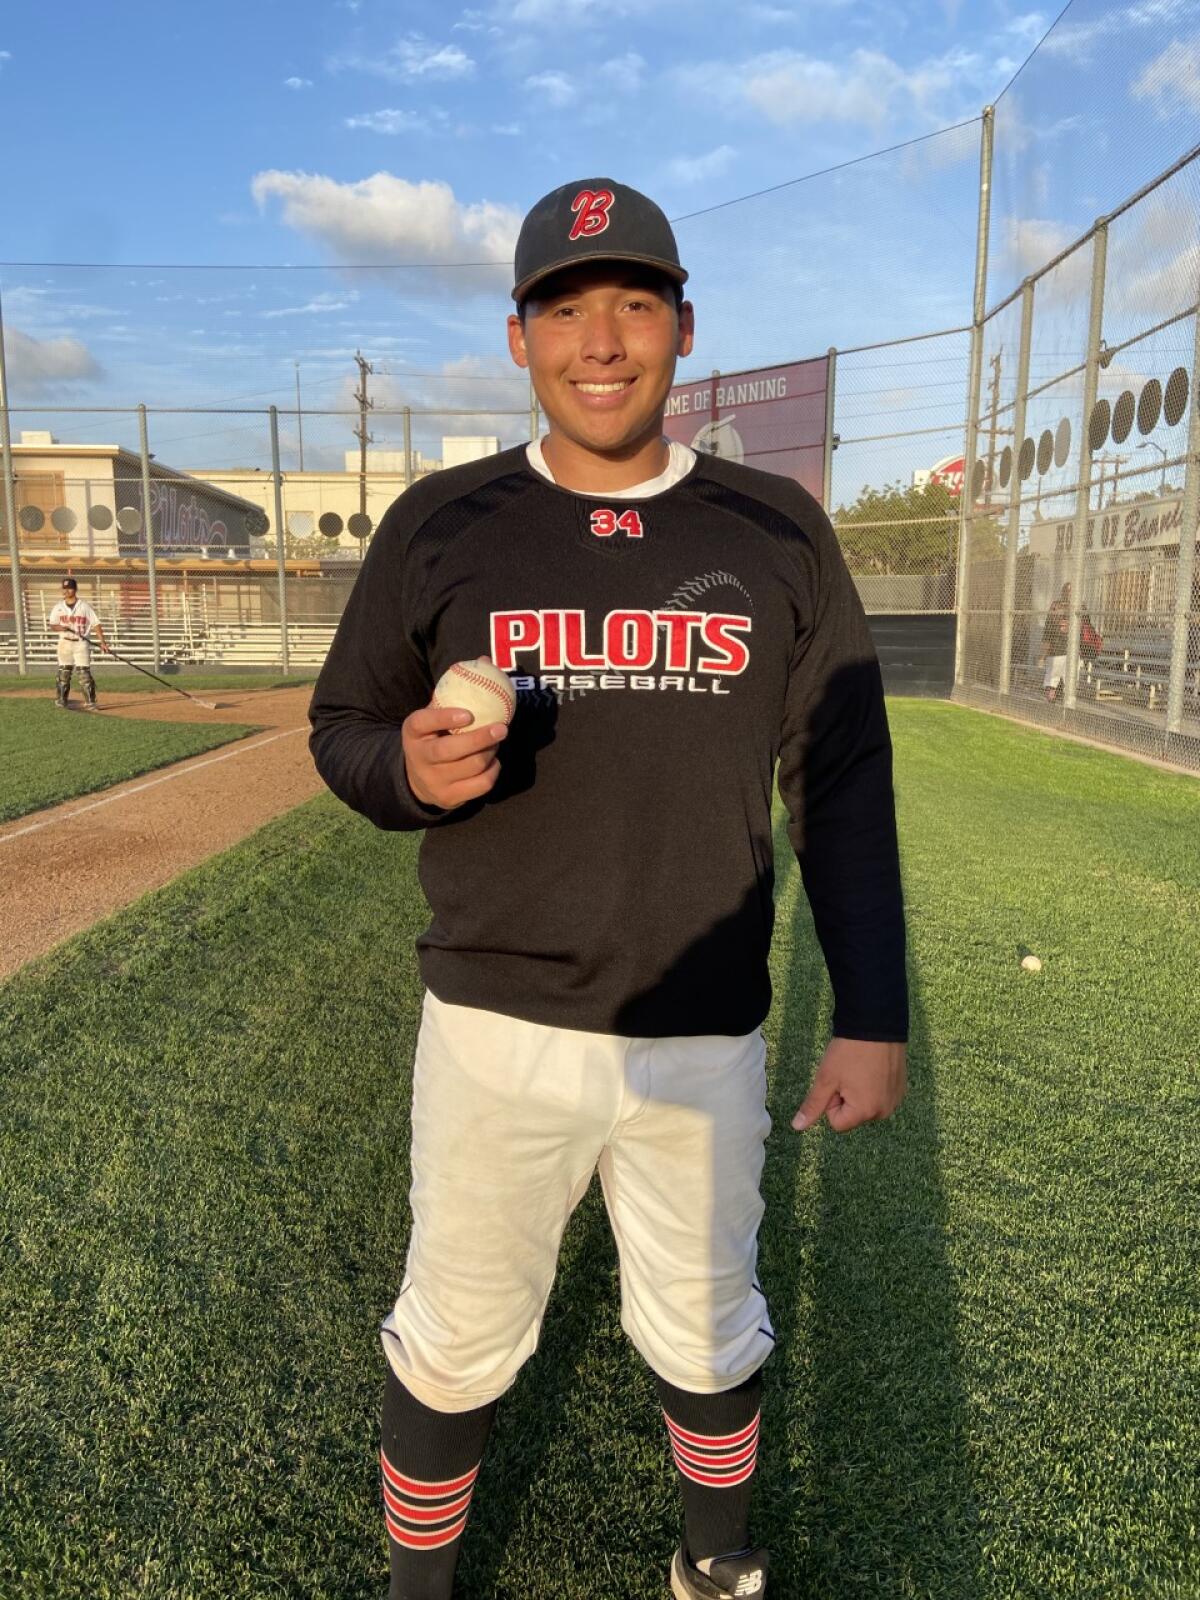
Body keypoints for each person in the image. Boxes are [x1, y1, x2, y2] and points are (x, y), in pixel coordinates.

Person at [308, 177, 909, 1600]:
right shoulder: (445, 522)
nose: (602, 339)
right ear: (518, 336)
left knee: (708, 1329)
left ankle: (717, 1562)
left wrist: (873, 1011)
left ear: (683, 328)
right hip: (494, 1025)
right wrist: (404, 767)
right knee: (456, 1334)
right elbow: (343, 727)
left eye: (634, 303)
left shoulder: (774, 531)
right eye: (566, 307)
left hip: (703, 1029)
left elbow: (844, 782)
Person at [47, 577, 108, 709]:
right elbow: (52, 625)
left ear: (75, 589)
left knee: (84, 673)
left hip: (81, 643)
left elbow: (96, 624)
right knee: (64, 672)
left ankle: (90, 702)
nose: (66, 591)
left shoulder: (84, 606)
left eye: (69, 588)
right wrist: (61, 628)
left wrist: (102, 642)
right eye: (64, 588)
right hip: (65, 642)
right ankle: (62, 700)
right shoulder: (58, 607)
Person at [1039, 581, 1098, 702]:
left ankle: (1065, 701)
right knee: (1053, 678)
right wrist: (1043, 654)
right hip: (1057, 649)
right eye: (1068, 592)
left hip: (1072, 650)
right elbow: (1048, 631)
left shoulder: (1080, 607)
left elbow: (1086, 628)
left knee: (1068, 680)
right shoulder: (1057, 606)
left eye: (1071, 592)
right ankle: (1053, 699)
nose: (1069, 594)